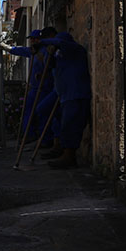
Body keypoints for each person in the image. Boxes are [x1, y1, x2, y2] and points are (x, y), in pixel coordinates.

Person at [35, 31, 90, 168]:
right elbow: (50, 67)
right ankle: (59, 147)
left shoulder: (75, 50)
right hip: (63, 95)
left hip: (75, 94)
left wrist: (43, 42)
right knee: (59, 121)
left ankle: (69, 156)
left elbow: (60, 43)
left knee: (70, 125)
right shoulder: (59, 56)